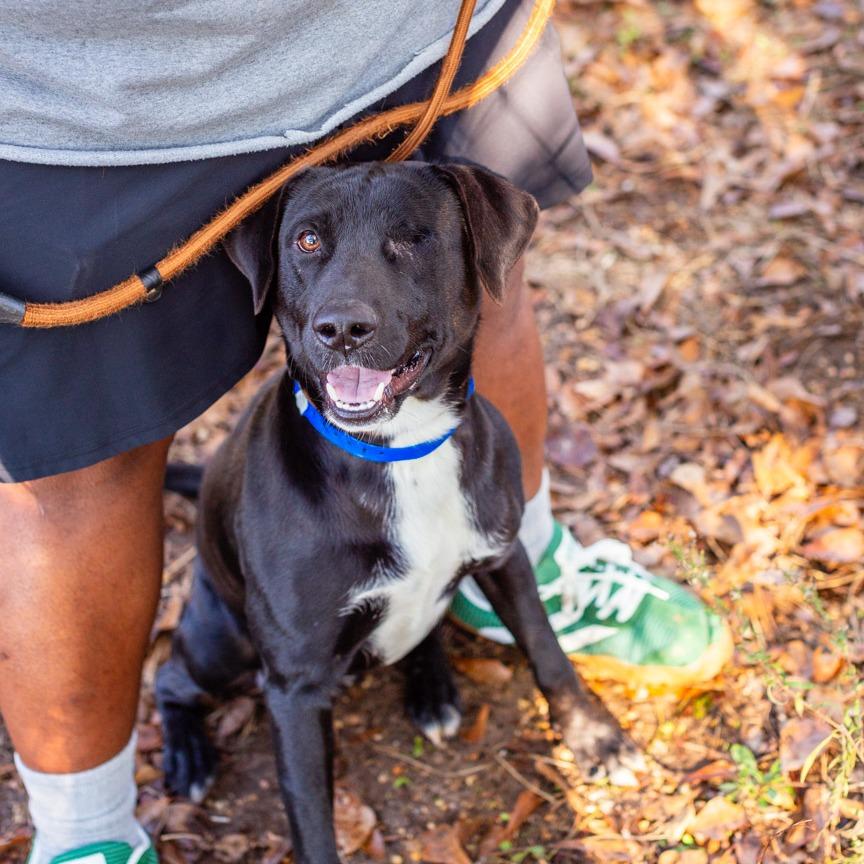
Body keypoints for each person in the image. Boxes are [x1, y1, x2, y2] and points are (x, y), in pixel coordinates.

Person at [0, 1, 730, 861]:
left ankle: (483, 601)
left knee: (487, 320)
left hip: (396, 31)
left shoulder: (479, 436)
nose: (344, 316)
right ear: (276, 267)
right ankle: (88, 830)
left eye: (408, 246)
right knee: (81, 450)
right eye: (309, 249)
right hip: (91, 108)